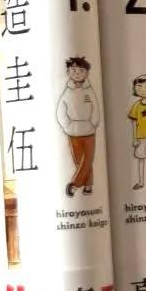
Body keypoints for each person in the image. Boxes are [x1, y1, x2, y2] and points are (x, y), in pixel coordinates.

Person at [56, 56, 100, 197]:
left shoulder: (89, 91)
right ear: (68, 72)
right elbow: (61, 110)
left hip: (89, 130)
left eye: (81, 70)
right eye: (73, 70)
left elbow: (95, 108)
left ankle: (74, 184)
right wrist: (67, 125)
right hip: (73, 132)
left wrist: (93, 122)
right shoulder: (67, 92)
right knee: (79, 160)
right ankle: (88, 185)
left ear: (86, 73)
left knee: (87, 159)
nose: (77, 73)